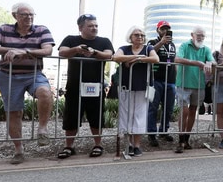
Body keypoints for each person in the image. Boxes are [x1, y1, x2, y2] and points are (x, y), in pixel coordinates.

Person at [0, 3, 55, 164]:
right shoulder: (4, 29)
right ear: (15, 16)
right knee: (14, 113)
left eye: (32, 14)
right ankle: (18, 150)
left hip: (34, 74)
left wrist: (24, 51)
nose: (29, 17)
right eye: (25, 14)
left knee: (45, 93)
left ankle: (42, 129)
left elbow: (48, 50)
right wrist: (9, 50)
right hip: (8, 75)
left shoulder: (41, 30)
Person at [58, 13, 114, 159]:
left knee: (96, 116)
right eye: (90, 26)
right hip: (74, 86)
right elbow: (62, 52)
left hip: (96, 86)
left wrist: (94, 52)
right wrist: (76, 50)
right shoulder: (71, 39)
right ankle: (69, 146)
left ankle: (98, 144)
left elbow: (109, 55)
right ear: (80, 28)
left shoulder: (104, 41)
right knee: (71, 117)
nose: (94, 28)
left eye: (96, 25)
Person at [112, 26, 159, 157]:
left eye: (142, 35)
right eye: (137, 35)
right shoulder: (124, 48)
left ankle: (137, 145)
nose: (140, 37)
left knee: (139, 115)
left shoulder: (148, 48)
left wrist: (138, 59)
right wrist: (134, 56)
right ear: (130, 37)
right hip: (126, 86)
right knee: (126, 115)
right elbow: (116, 57)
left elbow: (155, 59)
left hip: (142, 86)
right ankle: (128, 144)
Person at [174, 26, 213, 153]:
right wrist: (197, 63)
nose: (200, 37)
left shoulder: (206, 49)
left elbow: (213, 62)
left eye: (203, 35)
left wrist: (209, 63)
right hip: (183, 84)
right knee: (184, 111)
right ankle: (180, 139)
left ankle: (186, 139)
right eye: (198, 35)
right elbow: (177, 59)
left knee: (192, 111)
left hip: (198, 85)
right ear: (192, 35)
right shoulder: (185, 45)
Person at [146, 20, 177, 147]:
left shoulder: (173, 45)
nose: (165, 31)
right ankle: (152, 134)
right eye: (162, 29)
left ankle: (164, 131)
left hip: (170, 81)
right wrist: (161, 42)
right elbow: (149, 52)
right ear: (158, 30)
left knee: (168, 108)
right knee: (153, 107)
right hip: (156, 80)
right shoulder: (152, 42)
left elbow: (173, 61)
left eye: (167, 29)